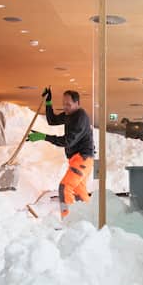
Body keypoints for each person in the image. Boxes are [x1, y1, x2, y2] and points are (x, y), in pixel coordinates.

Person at [27, 88, 95, 218]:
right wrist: (48, 103)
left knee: (65, 187)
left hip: (82, 158)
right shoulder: (69, 114)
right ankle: (90, 219)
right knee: (79, 192)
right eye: (64, 104)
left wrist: (44, 137)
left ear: (77, 104)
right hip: (78, 159)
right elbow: (52, 120)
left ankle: (68, 219)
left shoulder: (80, 117)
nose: (65, 107)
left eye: (68, 104)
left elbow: (67, 141)